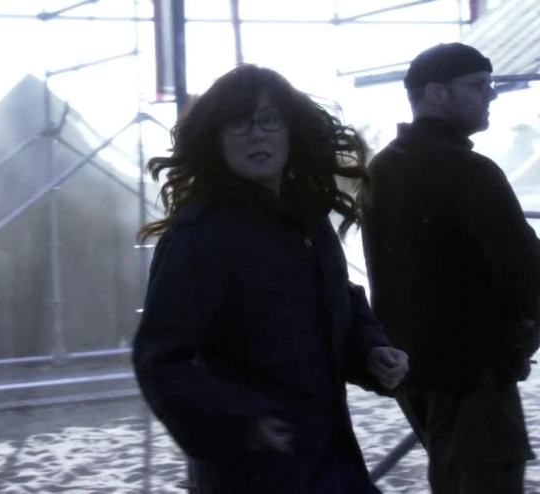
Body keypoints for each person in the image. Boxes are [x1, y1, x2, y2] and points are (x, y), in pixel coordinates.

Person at [132, 64, 409, 493]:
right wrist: (240, 423)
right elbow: (161, 358)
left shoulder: (307, 219)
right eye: (239, 123)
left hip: (330, 454)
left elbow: (338, 299)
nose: (257, 135)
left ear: (291, 131)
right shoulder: (201, 236)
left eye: (269, 119)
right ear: (216, 138)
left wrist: (371, 350)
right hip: (253, 469)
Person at [361, 42, 540, 493]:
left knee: (451, 478)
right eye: (479, 86)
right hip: (475, 376)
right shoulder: (468, 170)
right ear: (436, 93)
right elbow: (529, 275)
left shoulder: (382, 168)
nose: (490, 96)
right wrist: (520, 343)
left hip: (415, 373)